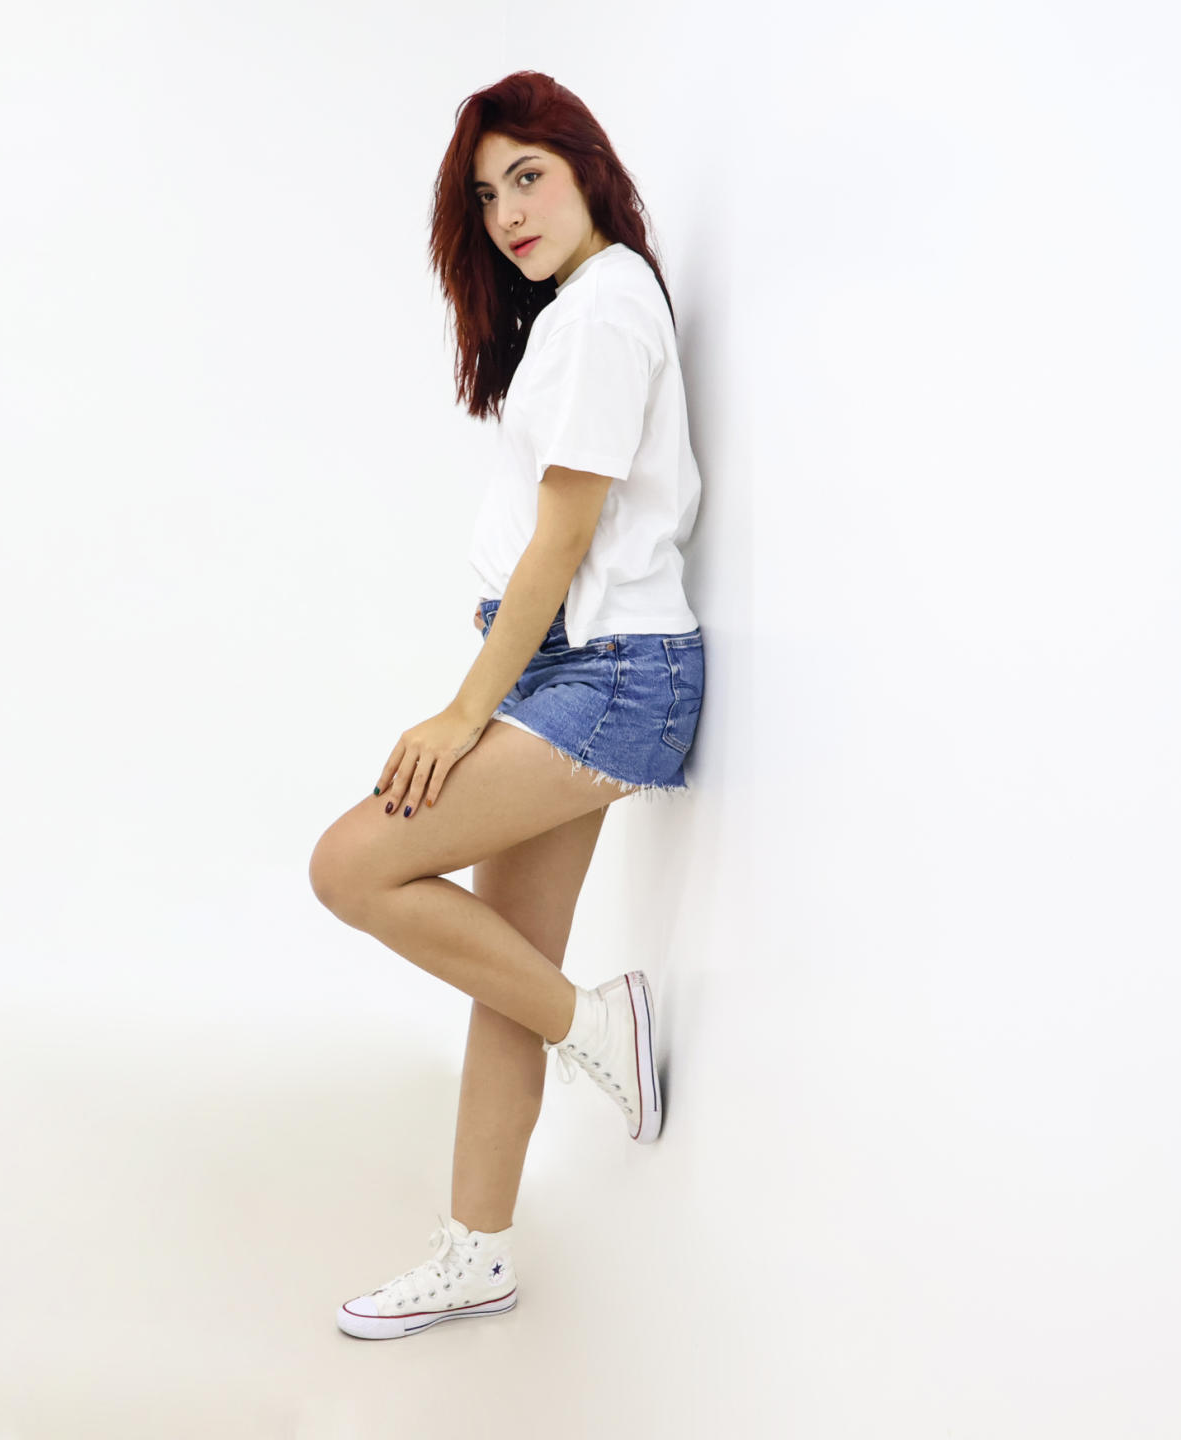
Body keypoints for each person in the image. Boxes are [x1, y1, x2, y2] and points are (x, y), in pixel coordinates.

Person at [307, 70, 706, 1341]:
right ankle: (477, 1255)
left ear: (588, 166)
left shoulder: (606, 309)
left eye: (528, 176)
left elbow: (561, 543)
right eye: (486, 196)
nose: (509, 213)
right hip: (565, 667)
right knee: (505, 976)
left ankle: (599, 1025)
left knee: (351, 866)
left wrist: (460, 714)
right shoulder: (581, 309)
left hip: (610, 675)